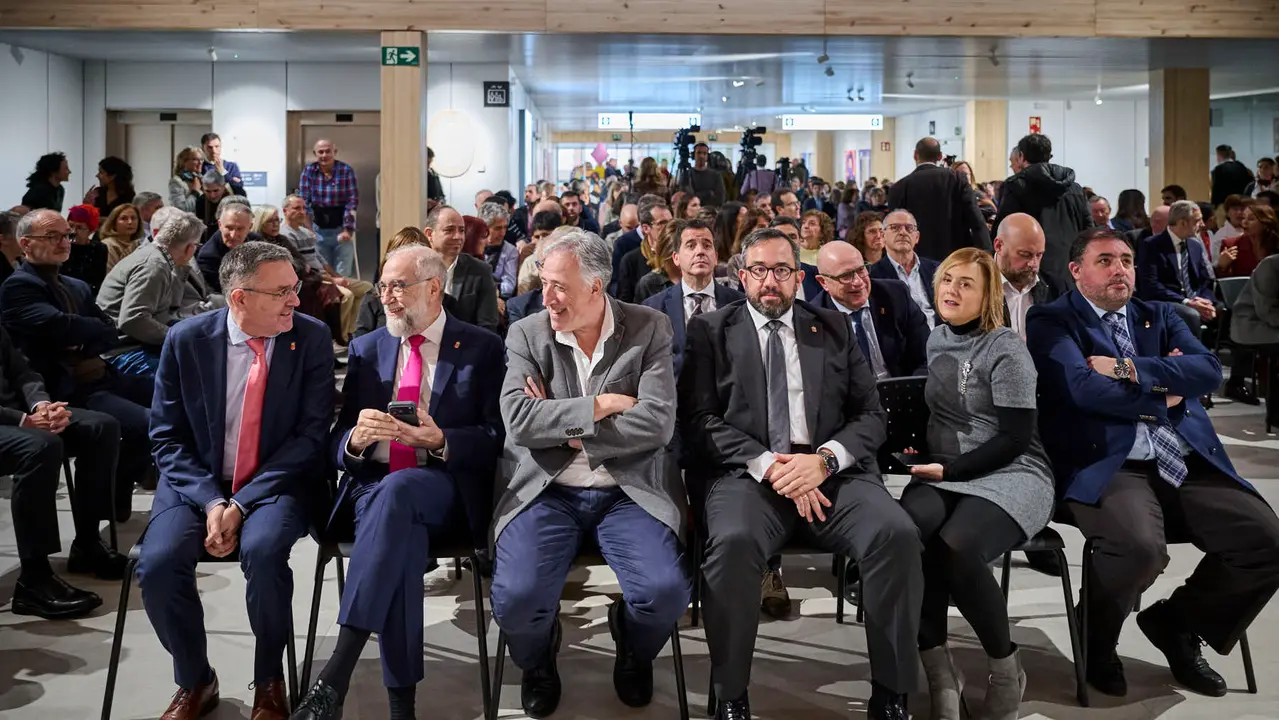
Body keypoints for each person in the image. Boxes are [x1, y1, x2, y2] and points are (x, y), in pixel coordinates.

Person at [1027, 226, 1279, 700]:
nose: (1119, 269)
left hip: (1185, 459)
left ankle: (1177, 624)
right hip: (1111, 465)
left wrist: (1128, 369)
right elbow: (1083, 390)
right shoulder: (1052, 321)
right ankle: (1097, 639)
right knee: (1139, 549)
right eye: (1105, 261)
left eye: (1126, 260)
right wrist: (1168, 389)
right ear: (1076, 270)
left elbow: (1206, 371)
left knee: (1267, 543)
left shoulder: (1161, 314)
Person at [681, 226, 921, 720]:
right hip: (748, 477)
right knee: (733, 545)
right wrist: (772, 467)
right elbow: (699, 422)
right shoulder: (710, 332)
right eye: (761, 270)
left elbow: (872, 415)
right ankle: (730, 694)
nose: (772, 281)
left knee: (896, 534)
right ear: (742, 276)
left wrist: (824, 460)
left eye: (783, 270)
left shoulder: (831, 326)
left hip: (831, 473)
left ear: (800, 276)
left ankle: (892, 694)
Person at [291, 245, 504, 720]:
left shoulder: (481, 348)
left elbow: (497, 438)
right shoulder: (369, 349)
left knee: (401, 493)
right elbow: (336, 441)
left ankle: (335, 676)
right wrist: (354, 441)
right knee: (399, 530)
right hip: (374, 488)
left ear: (433, 288)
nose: (386, 296)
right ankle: (400, 706)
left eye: (398, 286)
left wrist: (442, 438)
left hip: (442, 485)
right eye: (383, 285)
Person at [492, 227, 689, 717]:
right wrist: (599, 405)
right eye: (544, 283)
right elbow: (517, 419)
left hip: (627, 489)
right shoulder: (527, 332)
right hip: (547, 489)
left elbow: (657, 423)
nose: (548, 297)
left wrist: (562, 422)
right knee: (517, 600)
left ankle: (632, 643)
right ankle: (538, 660)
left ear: (597, 287)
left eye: (560, 286)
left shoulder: (649, 328)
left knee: (664, 593)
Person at [138, 242, 334, 720]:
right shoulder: (186, 340)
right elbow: (165, 438)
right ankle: (196, 680)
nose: (295, 300)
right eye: (282, 292)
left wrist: (242, 503)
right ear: (239, 298)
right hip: (196, 484)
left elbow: (310, 437)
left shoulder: (309, 338)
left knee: (265, 552)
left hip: (273, 482)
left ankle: (270, 678)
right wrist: (210, 502)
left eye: (295, 288)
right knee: (158, 564)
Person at [904, 248, 1054, 720]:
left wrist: (952, 472)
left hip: (1012, 470)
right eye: (947, 279)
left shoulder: (1006, 347)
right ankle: (940, 672)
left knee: (956, 547)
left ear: (988, 294)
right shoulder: (936, 339)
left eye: (966, 284)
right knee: (908, 534)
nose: (951, 289)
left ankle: (1006, 668)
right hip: (945, 469)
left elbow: (1015, 437)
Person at [1, 209, 153, 524]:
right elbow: (58, 325)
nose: (64, 242)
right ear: (26, 244)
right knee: (144, 422)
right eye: (52, 236)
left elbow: (109, 330)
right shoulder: (18, 286)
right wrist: (80, 332)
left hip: (97, 373)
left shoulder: (77, 285)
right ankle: (112, 500)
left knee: (168, 395)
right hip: (64, 386)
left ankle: (121, 487)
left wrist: (84, 343)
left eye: (67, 235)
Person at [0, 317, 126, 619]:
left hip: (20, 415)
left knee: (101, 427)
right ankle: (34, 579)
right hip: (8, 421)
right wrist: (22, 421)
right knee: (40, 446)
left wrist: (39, 406)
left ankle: (87, 543)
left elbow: (23, 371)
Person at [96, 211, 206, 376]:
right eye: (196, 246)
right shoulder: (154, 266)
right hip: (121, 350)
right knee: (190, 377)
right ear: (190, 248)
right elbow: (133, 320)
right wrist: (175, 337)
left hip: (130, 343)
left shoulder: (156, 258)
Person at [642, 218, 743, 378]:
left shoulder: (739, 304)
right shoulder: (654, 308)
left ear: (716, 258)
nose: (700, 251)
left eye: (707, 245)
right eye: (691, 245)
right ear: (676, 258)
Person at [811, 241, 928, 378]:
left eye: (861, 270)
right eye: (846, 276)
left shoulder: (895, 295)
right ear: (823, 282)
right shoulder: (813, 320)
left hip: (903, 389)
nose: (858, 282)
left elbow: (925, 355)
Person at [993, 134, 1092, 288]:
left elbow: (1002, 229)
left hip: (1029, 271)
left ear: (1021, 156)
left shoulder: (1016, 185)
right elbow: (1089, 232)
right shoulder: (1075, 189)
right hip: (1070, 270)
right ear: (1049, 156)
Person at [888, 138, 992, 258]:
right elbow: (976, 220)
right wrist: (986, 253)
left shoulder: (899, 187)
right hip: (955, 256)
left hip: (917, 258)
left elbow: (893, 229)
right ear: (940, 156)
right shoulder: (958, 180)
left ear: (915, 155)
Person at [1136, 200, 1217, 335]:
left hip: (1195, 299)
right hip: (1167, 301)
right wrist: (1187, 302)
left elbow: (1206, 280)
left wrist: (1205, 301)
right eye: (1197, 221)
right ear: (1183, 222)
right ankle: (1194, 353)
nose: (1202, 225)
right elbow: (1151, 285)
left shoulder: (1195, 245)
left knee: (1221, 308)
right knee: (1191, 314)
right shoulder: (1151, 245)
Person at [421, 205, 500, 332]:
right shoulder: (415, 269)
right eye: (449, 230)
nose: (458, 236)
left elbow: (488, 326)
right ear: (429, 234)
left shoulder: (480, 271)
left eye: (462, 230)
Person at [298, 138, 359, 277]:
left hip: (341, 228)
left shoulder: (345, 170)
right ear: (315, 153)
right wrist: (309, 230)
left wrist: (348, 230)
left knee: (343, 273)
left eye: (328, 151)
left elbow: (352, 201)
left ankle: (344, 298)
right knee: (323, 273)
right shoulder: (309, 171)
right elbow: (304, 201)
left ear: (334, 152)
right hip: (318, 229)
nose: (324, 155)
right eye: (321, 152)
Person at [869, 209, 940, 328]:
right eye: (894, 227)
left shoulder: (937, 269)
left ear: (916, 237)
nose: (903, 232)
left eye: (909, 228)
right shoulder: (873, 276)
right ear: (883, 236)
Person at [615, 198, 673, 303]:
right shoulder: (631, 260)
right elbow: (624, 303)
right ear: (645, 228)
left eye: (671, 222)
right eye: (662, 223)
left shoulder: (680, 255)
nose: (669, 228)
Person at [197, 203, 254, 294]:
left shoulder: (256, 241)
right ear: (220, 225)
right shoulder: (208, 256)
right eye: (229, 228)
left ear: (250, 227)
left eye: (240, 229)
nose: (233, 235)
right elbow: (221, 292)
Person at [1217, 203, 1279, 279]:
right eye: (1243, 218)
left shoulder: (1276, 244)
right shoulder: (1231, 245)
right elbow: (1224, 283)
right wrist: (1221, 267)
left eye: (1251, 219)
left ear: (1265, 224)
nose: (1244, 222)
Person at [61, 204, 108, 297]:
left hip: (87, 296)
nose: (73, 231)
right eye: (70, 226)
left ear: (90, 230)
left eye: (79, 227)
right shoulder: (61, 245)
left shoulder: (99, 249)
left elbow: (98, 280)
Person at [479, 201, 519, 299]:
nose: (503, 233)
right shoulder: (472, 246)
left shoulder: (510, 250)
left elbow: (509, 287)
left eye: (505, 228)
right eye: (497, 228)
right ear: (484, 228)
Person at [99, 202, 145, 273]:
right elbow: (111, 274)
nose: (130, 222)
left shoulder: (139, 244)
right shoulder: (108, 245)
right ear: (113, 223)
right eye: (124, 218)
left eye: (133, 218)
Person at [682, 142, 727, 208]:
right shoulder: (687, 175)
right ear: (693, 155)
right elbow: (685, 197)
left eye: (704, 153)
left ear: (707, 156)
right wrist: (708, 194)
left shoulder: (716, 175)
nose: (701, 156)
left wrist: (698, 195)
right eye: (699, 153)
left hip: (710, 212)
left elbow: (720, 198)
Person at [168, 146, 206, 212]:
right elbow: (181, 209)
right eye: (195, 159)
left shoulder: (203, 179)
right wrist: (195, 193)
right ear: (184, 162)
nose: (200, 162)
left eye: (202, 159)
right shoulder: (176, 181)